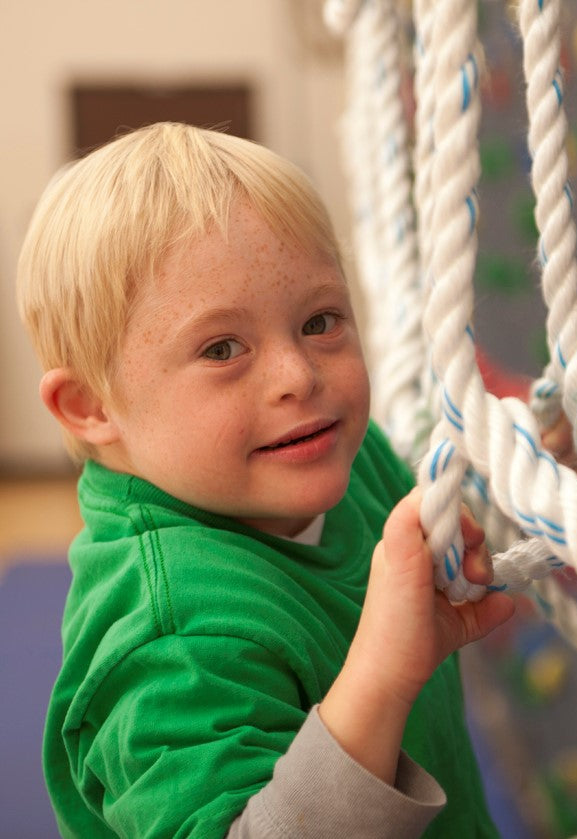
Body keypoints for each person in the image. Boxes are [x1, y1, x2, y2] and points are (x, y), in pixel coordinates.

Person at [17, 122, 516, 838]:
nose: (299, 375)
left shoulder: (329, 450)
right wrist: (382, 671)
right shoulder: (174, 640)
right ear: (92, 406)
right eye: (222, 348)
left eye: (319, 321)